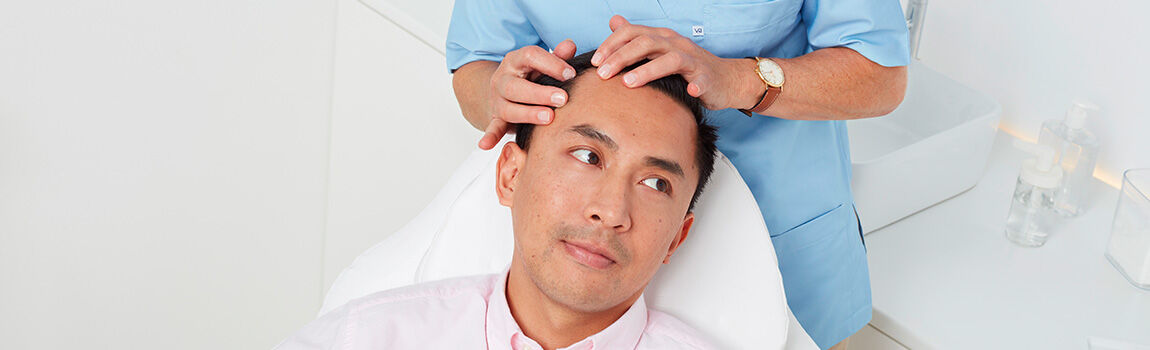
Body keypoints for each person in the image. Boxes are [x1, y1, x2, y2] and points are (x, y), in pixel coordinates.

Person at [447, 1, 908, 348]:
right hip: (575, 250)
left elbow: (882, 74)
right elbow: (475, 60)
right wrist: (498, 95)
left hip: (783, 234)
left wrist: (742, 80)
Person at [275, 52, 720, 350]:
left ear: (676, 238)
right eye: (588, 156)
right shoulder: (369, 338)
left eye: (655, 184)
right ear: (510, 174)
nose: (610, 211)